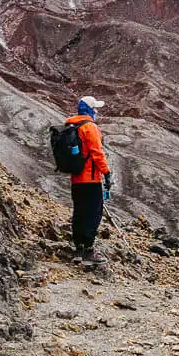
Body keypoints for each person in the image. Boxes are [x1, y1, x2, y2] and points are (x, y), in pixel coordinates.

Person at [64, 96, 111, 264]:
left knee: (79, 213)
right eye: (95, 108)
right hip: (91, 180)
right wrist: (106, 172)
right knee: (93, 214)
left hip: (76, 180)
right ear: (90, 109)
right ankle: (89, 250)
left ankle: (78, 250)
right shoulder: (90, 127)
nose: (97, 111)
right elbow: (97, 153)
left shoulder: (71, 125)